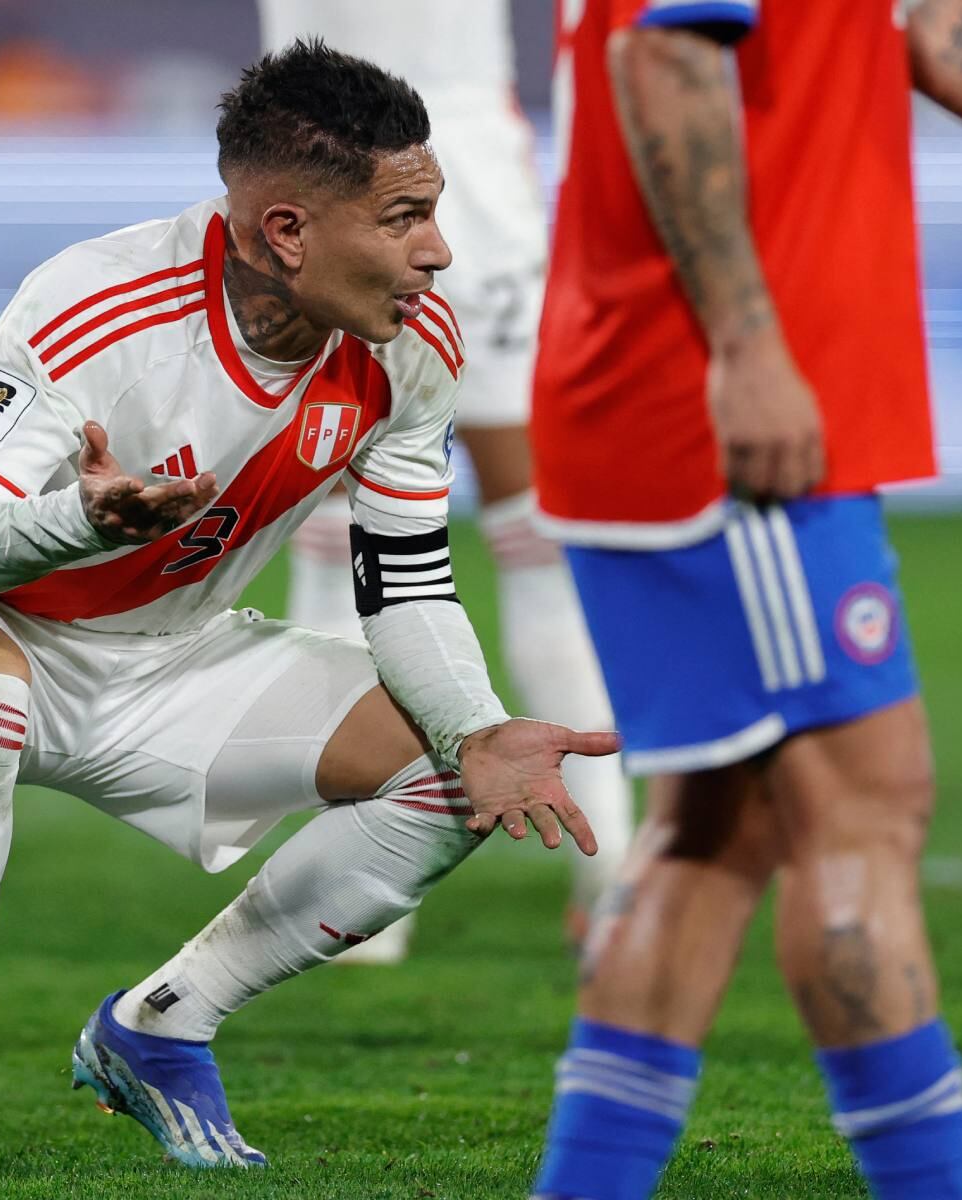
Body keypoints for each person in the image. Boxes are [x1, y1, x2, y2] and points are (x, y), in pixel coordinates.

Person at [0, 40, 616, 1184]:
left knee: (453, 770)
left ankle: (160, 1026)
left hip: (167, 654)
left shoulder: (407, 346)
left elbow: (403, 582)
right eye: (403, 218)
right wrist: (79, 524)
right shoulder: (97, 303)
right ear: (286, 231)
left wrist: (480, 724)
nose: (436, 253)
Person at [527, 1, 962, 1198]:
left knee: (711, 840)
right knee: (860, 812)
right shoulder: (734, 366)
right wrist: (748, 347)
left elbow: (922, 19)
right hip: (713, 412)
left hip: (671, 398)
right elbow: (663, 52)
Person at [256, 0, 632, 964]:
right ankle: (620, 874)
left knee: (333, 520)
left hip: (326, 175)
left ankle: (353, 919)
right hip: (471, 167)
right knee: (534, 529)